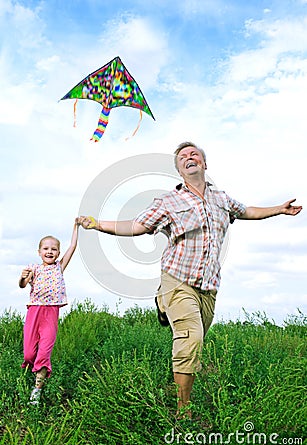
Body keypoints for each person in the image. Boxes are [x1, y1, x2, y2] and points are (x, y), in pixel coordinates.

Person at [78, 141, 302, 418]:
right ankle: (183, 410)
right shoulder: (168, 201)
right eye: (183, 157)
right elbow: (137, 226)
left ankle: (168, 317)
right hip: (177, 279)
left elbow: (246, 211)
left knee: (196, 340)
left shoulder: (221, 198)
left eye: (194, 154)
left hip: (208, 286)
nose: (189, 157)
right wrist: (97, 223)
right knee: (190, 337)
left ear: (204, 164)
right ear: (180, 170)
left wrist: (278, 209)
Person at [19, 218, 81, 405]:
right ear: (39, 252)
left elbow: (73, 246)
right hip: (34, 312)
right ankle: (33, 371)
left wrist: (75, 226)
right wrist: (22, 278)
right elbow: (22, 285)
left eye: (53, 249)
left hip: (51, 314)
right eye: (46, 248)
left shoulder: (59, 268)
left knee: (44, 352)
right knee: (29, 354)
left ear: (58, 253)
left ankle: (36, 392)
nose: (49, 251)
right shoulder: (34, 268)